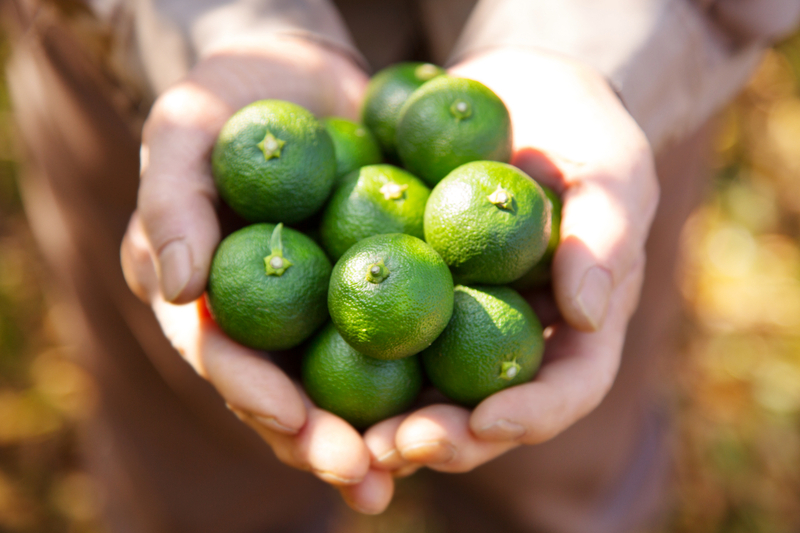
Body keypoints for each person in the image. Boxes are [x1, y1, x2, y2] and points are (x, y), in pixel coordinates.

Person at [3, 0, 799, 531]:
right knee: (198, 467)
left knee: (565, 462)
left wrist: (595, 44)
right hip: (172, 51)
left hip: (586, 76)